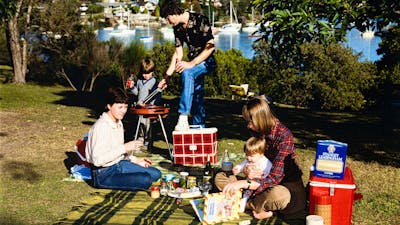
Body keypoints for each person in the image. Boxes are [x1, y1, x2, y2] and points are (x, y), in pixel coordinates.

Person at [214, 96, 306, 222]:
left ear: (261, 119)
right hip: (256, 183)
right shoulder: (258, 131)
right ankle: (259, 205)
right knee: (220, 176)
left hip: (281, 184)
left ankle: (244, 203)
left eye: (251, 122)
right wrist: (246, 170)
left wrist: (244, 183)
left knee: (280, 196)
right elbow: (252, 158)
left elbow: (274, 178)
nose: (249, 126)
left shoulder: (284, 137)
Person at [85, 87, 162, 191]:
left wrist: (136, 160)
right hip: (103, 173)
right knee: (146, 179)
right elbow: (98, 160)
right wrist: (125, 147)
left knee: (156, 174)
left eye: (125, 107)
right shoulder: (101, 127)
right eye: (120, 107)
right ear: (109, 106)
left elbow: (118, 152)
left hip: (118, 164)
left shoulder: (118, 122)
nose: (123, 111)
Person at [160, 0, 216, 131]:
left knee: (187, 72)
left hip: (207, 62)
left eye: (167, 19)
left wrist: (191, 63)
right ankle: (199, 129)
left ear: (173, 13)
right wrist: (167, 76)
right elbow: (178, 52)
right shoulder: (177, 28)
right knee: (197, 96)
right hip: (194, 64)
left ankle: (183, 115)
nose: (168, 22)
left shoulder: (201, 20)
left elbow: (211, 47)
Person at [127, 57, 166, 145]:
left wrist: (150, 103)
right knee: (139, 123)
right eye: (144, 73)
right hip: (139, 107)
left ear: (152, 72)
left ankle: (148, 140)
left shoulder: (154, 82)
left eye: (148, 73)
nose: (145, 75)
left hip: (148, 108)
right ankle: (140, 138)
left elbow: (157, 95)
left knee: (147, 124)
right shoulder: (140, 81)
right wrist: (132, 87)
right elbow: (137, 93)